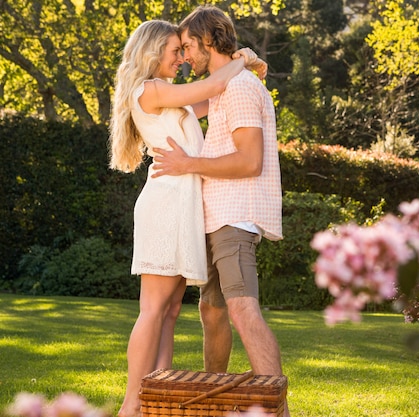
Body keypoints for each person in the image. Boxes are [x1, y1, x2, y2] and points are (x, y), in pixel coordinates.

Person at [108, 19, 265, 417]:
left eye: (184, 50)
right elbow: (212, 87)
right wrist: (242, 58)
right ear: (153, 51)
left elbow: (213, 99)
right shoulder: (152, 89)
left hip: (182, 206)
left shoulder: (168, 96)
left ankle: (157, 395)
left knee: (170, 311)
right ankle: (132, 405)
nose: (181, 58)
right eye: (175, 50)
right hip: (166, 206)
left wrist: (242, 73)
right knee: (153, 308)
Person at [151, 6, 290, 416]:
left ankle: (276, 410)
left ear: (208, 40)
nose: (186, 56)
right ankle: (217, 402)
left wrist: (188, 164)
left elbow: (250, 162)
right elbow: (183, 111)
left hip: (236, 217)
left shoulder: (243, 88)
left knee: (243, 310)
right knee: (212, 312)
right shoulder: (224, 88)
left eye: (189, 46)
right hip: (216, 217)